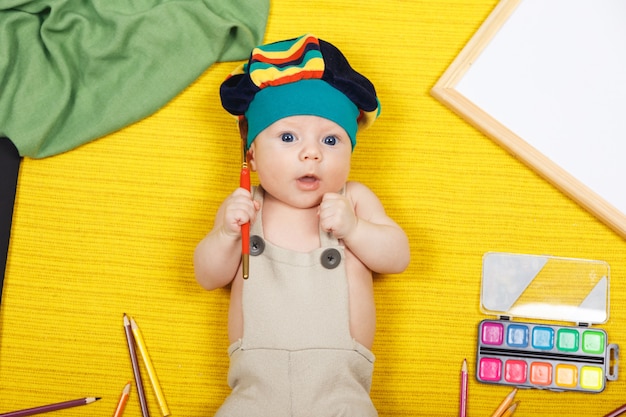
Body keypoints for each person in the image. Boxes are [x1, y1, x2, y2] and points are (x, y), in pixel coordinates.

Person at [194, 34, 410, 417]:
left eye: (331, 139)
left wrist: (355, 229)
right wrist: (226, 235)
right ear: (253, 158)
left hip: (340, 385)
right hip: (255, 384)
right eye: (288, 137)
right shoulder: (246, 205)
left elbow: (397, 257)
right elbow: (209, 277)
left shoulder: (353, 198)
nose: (311, 152)